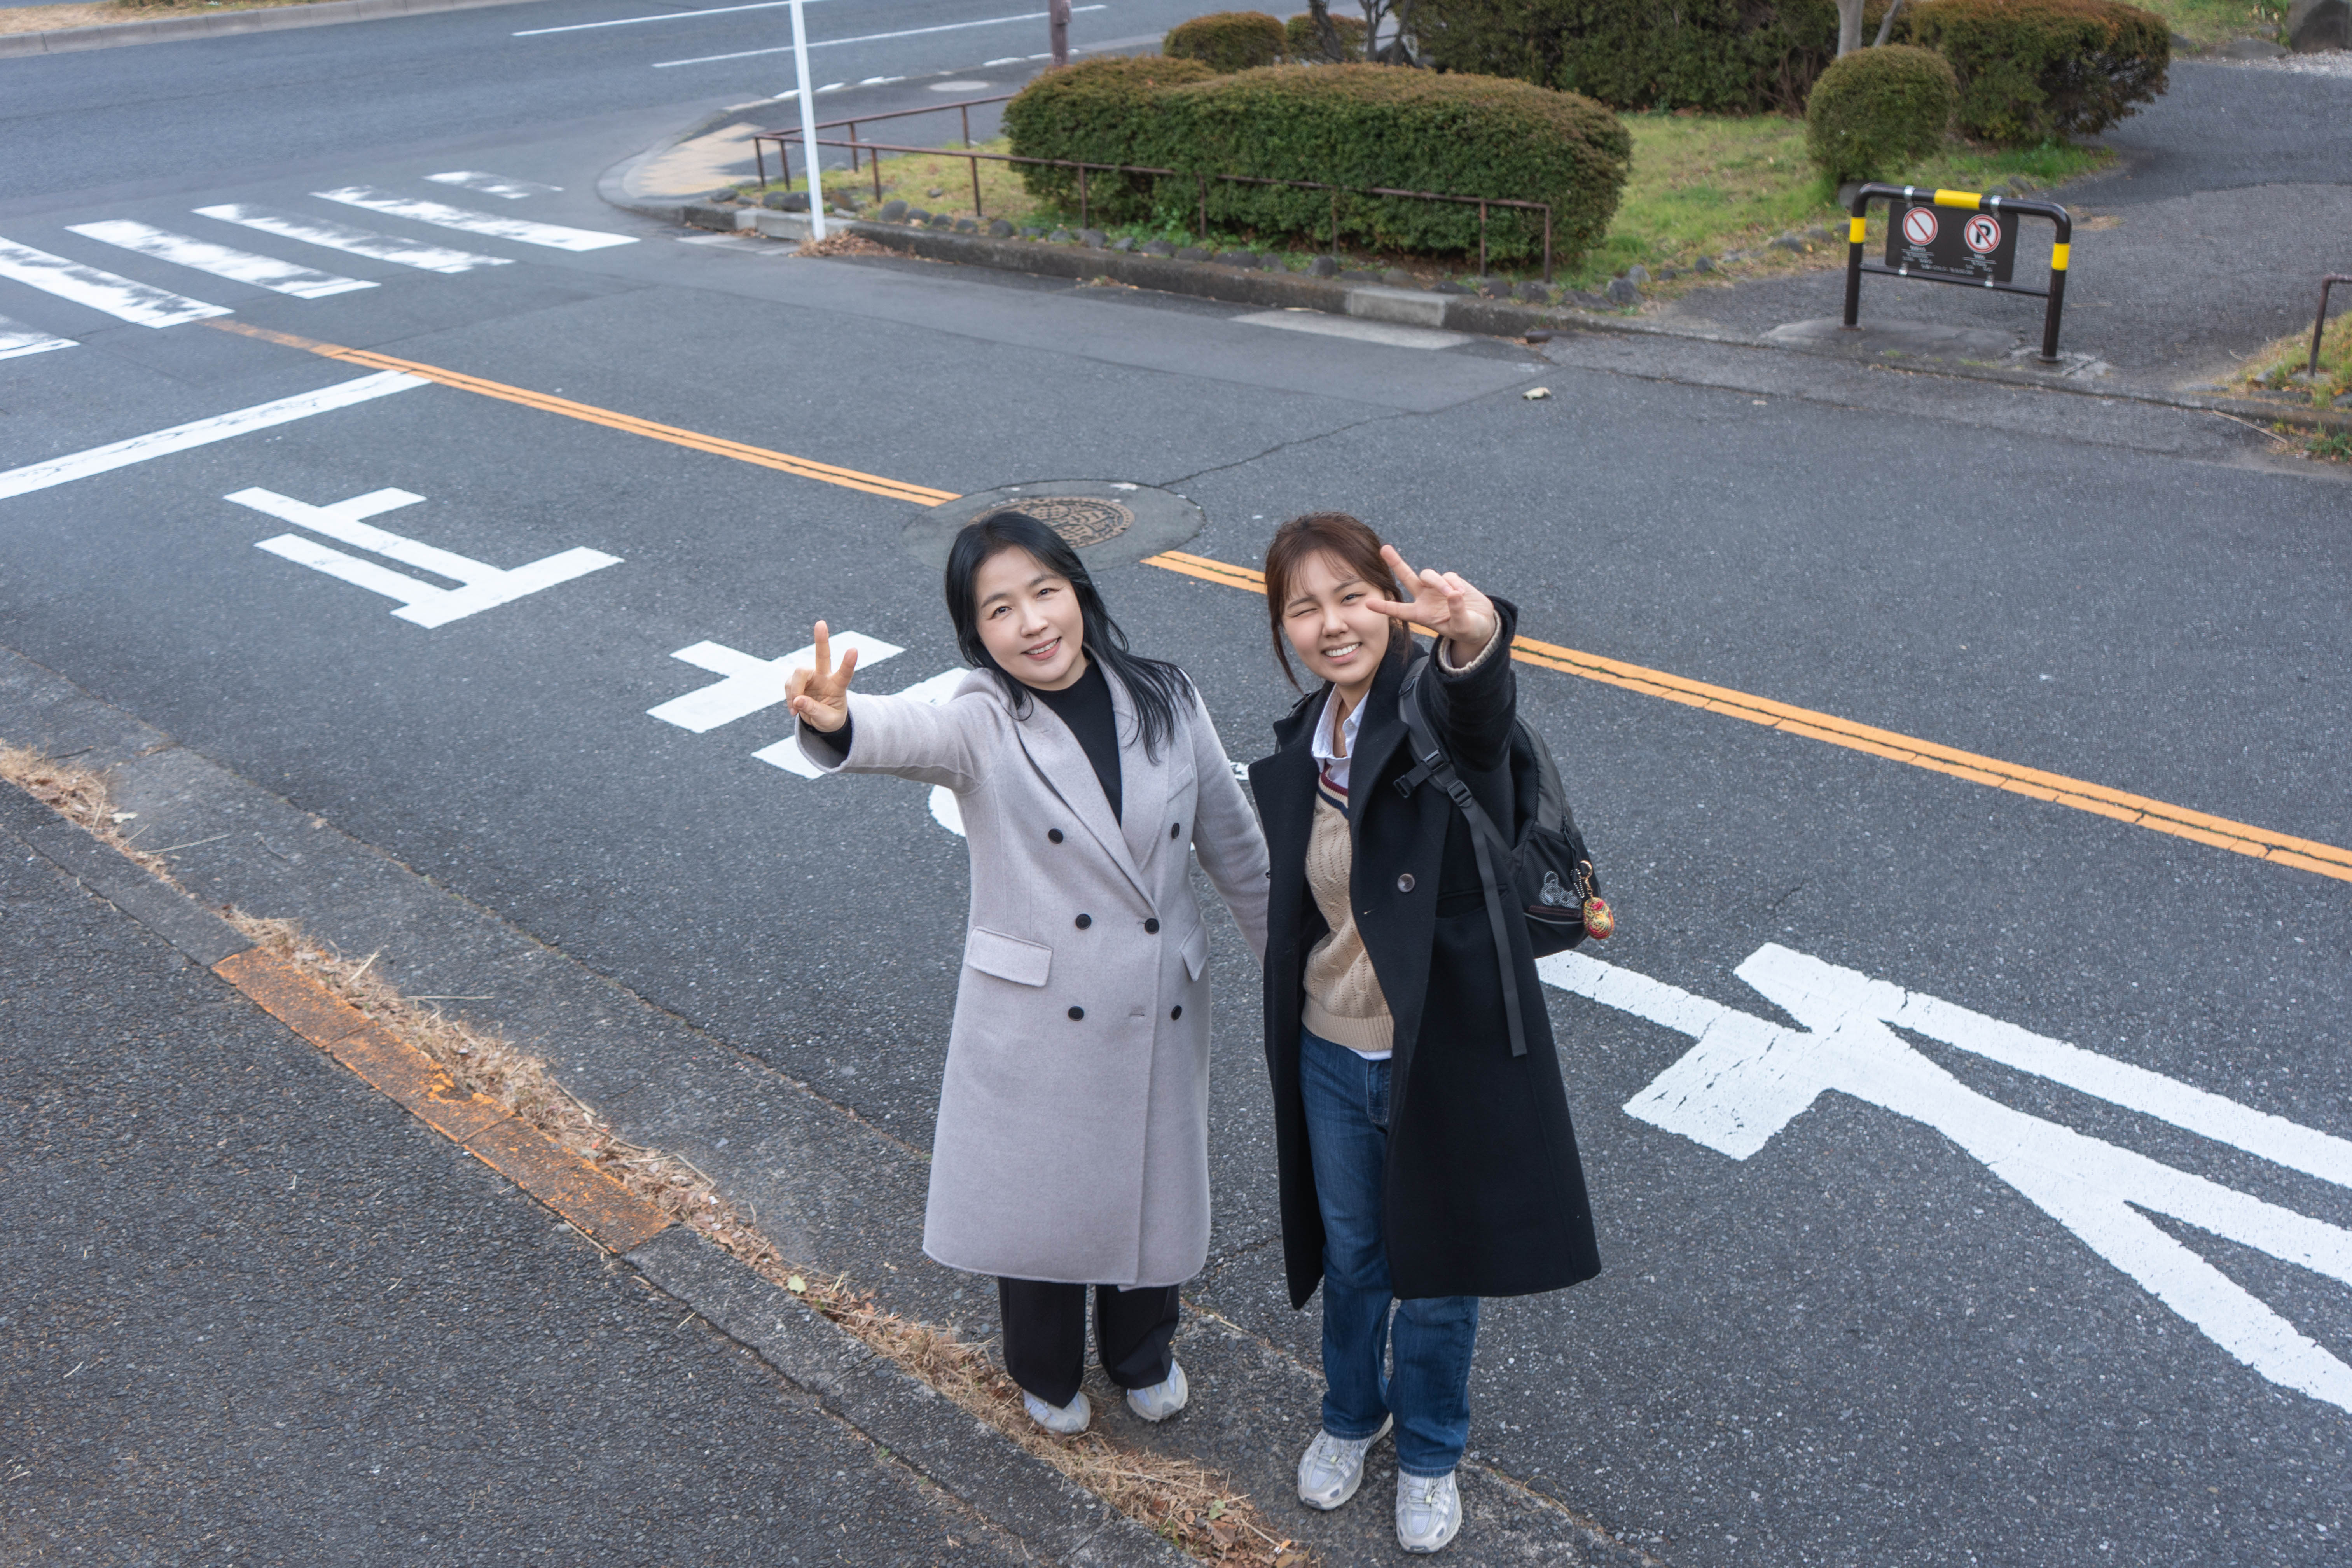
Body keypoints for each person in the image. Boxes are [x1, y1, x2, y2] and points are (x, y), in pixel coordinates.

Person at [787, 510, 1269, 1435]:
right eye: (1000, 608)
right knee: (1043, 1203)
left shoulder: (1167, 696)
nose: (1033, 622)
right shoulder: (982, 718)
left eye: (1045, 591)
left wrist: (1301, 977)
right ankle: (1044, 1370)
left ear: (1077, 589)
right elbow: (911, 733)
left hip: (1156, 997)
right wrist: (840, 722)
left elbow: (1238, 853)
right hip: (1043, 1012)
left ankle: (1142, 1352)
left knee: (1152, 1186)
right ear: (977, 633)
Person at [1246, 512, 1601, 1555]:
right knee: (1356, 1258)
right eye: (1302, 608)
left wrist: (1475, 644)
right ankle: (1351, 1415)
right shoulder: (1303, 742)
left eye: (1351, 596)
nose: (1330, 624)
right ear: (1282, 630)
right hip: (1327, 1048)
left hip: (1435, 1054)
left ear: (1391, 605)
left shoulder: (1430, 711)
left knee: (1439, 1274)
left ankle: (1432, 1449)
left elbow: (1477, 716)